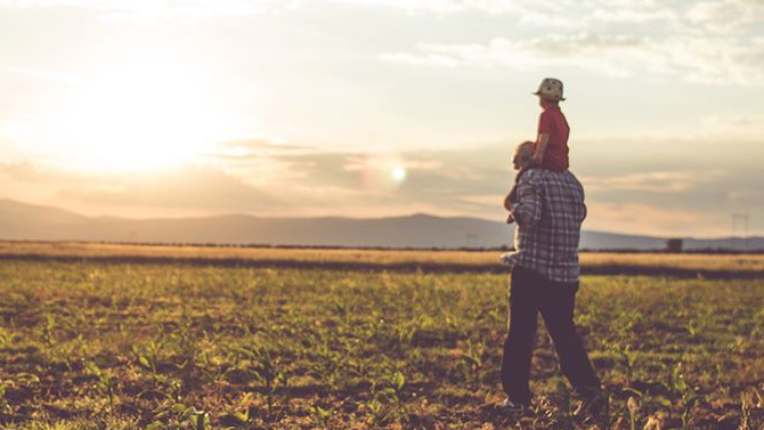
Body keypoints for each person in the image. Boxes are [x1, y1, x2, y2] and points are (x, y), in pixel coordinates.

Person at [499, 141, 604, 418]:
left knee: (520, 335)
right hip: (565, 273)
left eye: (517, 161)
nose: (516, 167)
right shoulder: (572, 181)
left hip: (532, 270)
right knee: (565, 337)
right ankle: (591, 394)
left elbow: (530, 215)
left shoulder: (531, 178)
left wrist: (513, 208)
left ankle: (517, 399)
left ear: (531, 157)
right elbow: (580, 214)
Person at [532, 78, 569, 172]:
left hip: (548, 161)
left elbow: (544, 135)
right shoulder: (561, 117)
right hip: (562, 163)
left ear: (543, 99)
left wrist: (538, 154)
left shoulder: (546, 115)